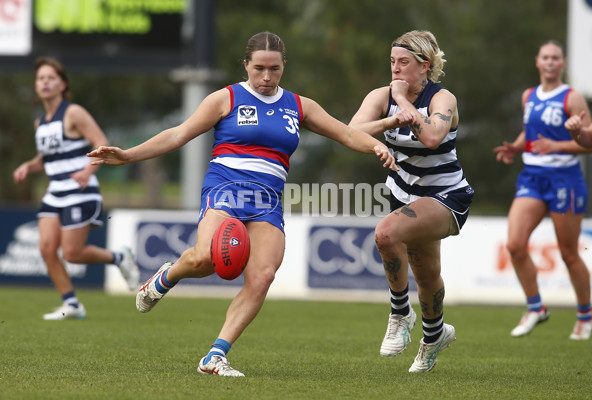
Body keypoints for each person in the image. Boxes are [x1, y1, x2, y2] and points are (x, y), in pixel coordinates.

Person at [87, 31, 397, 377]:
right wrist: (128, 156)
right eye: (259, 68)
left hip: (268, 199)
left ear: (283, 67)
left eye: (275, 69)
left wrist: (375, 146)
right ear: (246, 65)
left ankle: (215, 356)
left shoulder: (299, 106)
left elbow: (345, 132)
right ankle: (166, 276)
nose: (266, 77)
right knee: (206, 258)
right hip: (225, 187)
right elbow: (179, 133)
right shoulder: (226, 98)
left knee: (262, 275)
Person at [348, 30, 474, 372]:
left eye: (404, 63)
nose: (395, 70)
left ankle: (400, 314)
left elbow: (433, 137)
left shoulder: (442, 99)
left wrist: (405, 103)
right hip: (406, 193)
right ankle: (435, 336)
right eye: (392, 62)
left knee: (386, 234)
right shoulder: (381, 96)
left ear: (425, 66)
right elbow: (352, 131)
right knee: (427, 273)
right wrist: (389, 121)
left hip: (446, 195)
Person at [12, 57, 140, 321]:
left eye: (50, 78)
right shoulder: (41, 123)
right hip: (55, 193)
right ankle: (71, 304)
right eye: (40, 79)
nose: (44, 82)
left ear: (63, 84)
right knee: (47, 249)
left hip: (80, 192)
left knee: (72, 253)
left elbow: (101, 142)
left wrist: (87, 170)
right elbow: (47, 158)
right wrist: (28, 165)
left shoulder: (73, 113)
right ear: (36, 86)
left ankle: (119, 257)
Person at [493, 40, 592, 340]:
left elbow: (588, 143)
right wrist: (516, 145)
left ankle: (585, 316)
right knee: (514, 244)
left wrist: (557, 145)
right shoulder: (529, 95)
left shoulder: (572, 98)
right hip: (532, 177)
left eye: (555, 58)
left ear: (563, 63)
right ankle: (536, 307)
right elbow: (531, 129)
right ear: (537, 62)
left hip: (565, 179)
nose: (550, 62)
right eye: (545, 57)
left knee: (568, 252)